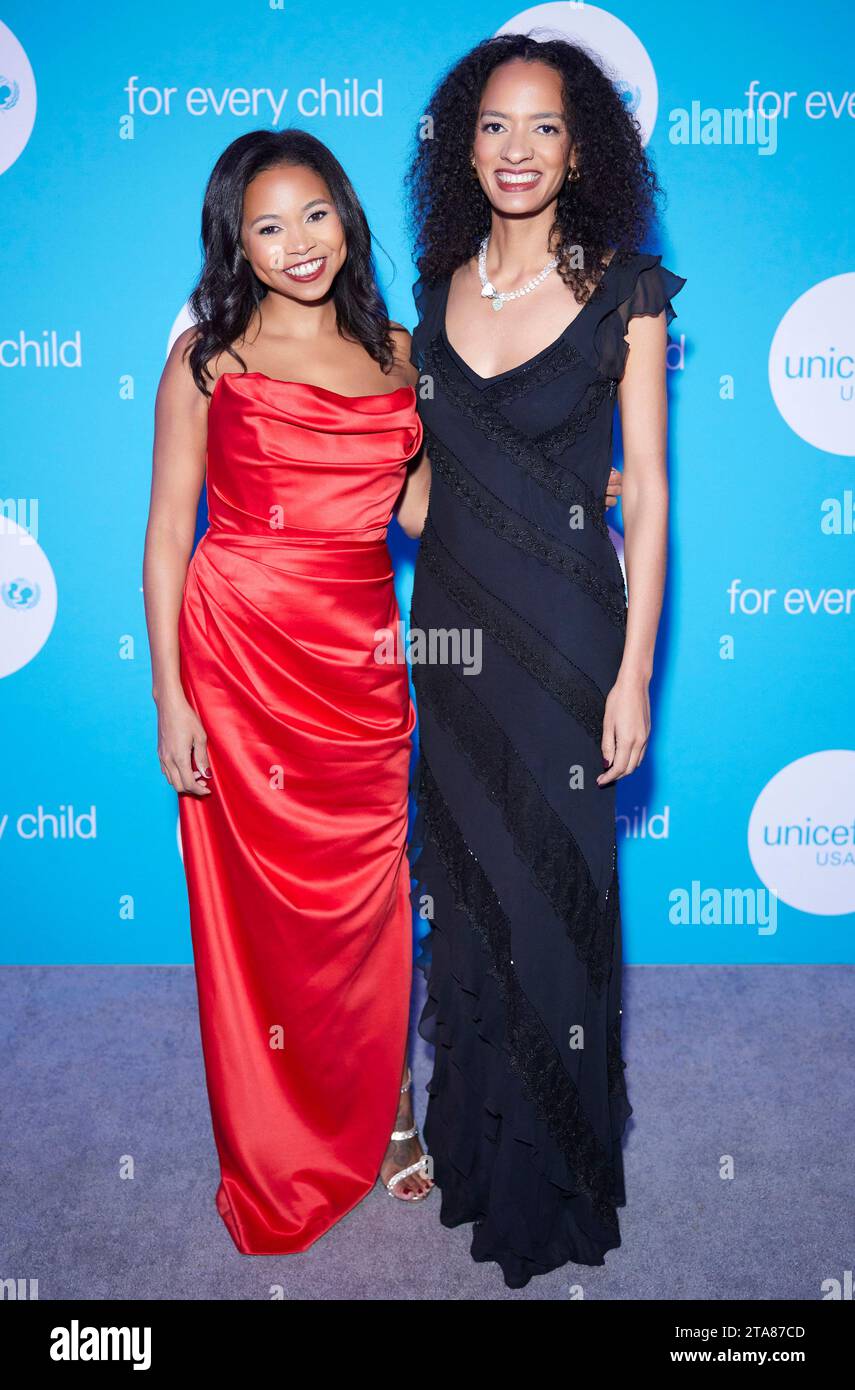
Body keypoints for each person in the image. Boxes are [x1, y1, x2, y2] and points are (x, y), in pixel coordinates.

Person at [404, 33, 687, 1287]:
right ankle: (475, 1150)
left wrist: (630, 678)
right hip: (453, 638)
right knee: (463, 898)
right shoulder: (426, 288)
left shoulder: (629, 290)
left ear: (583, 152)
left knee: (554, 910)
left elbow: (654, 498)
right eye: (495, 128)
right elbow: (423, 496)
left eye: (546, 129)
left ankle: (557, 1186)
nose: (518, 152)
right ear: (464, 146)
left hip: (571, 637)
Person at [142, 128, 436, 1255]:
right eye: (268, 226)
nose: (298, 243)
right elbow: (170, 534)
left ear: (347, 218)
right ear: (238, 245)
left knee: (369, 896)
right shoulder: (207, 360)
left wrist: (562, 487)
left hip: (359, 660)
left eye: (315, 214)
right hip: (239, 654)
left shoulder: (401, 353)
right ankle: (277, 1139)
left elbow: (416, 517)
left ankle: (390, 1104)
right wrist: (171, 697)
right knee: (258, 916)